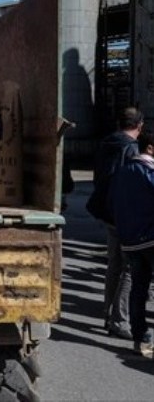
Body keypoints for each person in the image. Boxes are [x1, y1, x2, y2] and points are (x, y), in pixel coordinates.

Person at [87, 106, 143, 339]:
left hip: (108, 212)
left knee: (114, 266)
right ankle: (119, 320)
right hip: (127, 214)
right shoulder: (131, 148)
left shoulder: (106, 143)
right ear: (139, 126)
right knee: (130, 269)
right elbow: (132, 183)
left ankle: (108, 313)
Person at [108, 129, 154, 357]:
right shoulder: (149, 172)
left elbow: (113, 204)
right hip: (151, 238)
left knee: (139, 289)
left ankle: (140, 337)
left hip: (130, 240)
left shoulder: (123, 172)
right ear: (150, 148)